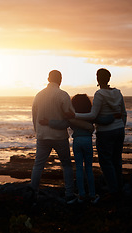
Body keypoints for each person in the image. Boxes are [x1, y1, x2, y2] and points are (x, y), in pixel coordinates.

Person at [40, 94, 115, 204]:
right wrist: (114, 115)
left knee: (79, 168)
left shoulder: (72, 117)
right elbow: (103, 119)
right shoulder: (90, 115)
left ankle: (81, 195)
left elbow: (62, 124)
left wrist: (49, 122)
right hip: (87, 141)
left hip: (77, 142)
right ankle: (93, 195)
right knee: (89, 168)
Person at [74, 68, 127, 200]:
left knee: (106, 162)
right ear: (109, 78)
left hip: (105, 132)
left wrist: (73, 115)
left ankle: (113, 191)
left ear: (98, 79)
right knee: (117, 160)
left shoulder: (100, 94)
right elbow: (124, 113)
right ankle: (119, 188)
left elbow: (93, 115)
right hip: (119, 129)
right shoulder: (118, 92)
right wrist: (121, 127)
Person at [31, 70, 77, 204]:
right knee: (66, 165)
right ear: (60, 80)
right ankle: (69, 194)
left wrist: (38, 132)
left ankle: (33, 193)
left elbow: (35, 118)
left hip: (42, 136)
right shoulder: (63, 95)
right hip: (59, 136)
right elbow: (70, 117)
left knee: (38, 166)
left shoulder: (38, 95)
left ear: (48, 79)